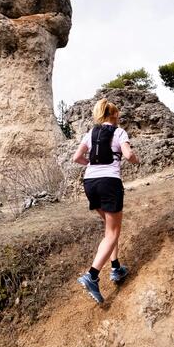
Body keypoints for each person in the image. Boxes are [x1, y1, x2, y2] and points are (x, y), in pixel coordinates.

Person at [72, 98, 139, 303]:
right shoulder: (119, 132)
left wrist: (91, 163)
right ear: (115, 115)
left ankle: (116, 268)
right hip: (109, 183)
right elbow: (127, 155)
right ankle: (92, 276)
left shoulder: (90, 133)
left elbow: (76, 158)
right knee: (113, 232)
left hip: (90, 182)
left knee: (110, 229)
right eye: (118, 114)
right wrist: (136, 159)